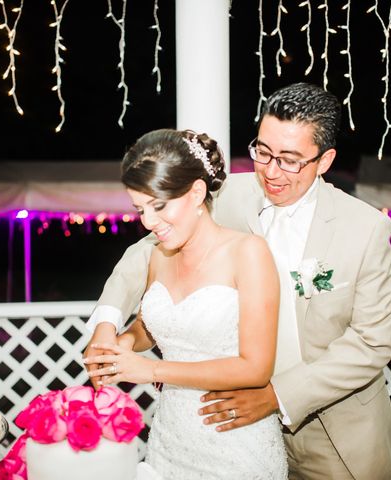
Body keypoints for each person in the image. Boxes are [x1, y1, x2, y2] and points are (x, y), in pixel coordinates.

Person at [85, 82, 391, 479]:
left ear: (324, 161)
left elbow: (372, 341)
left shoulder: (364, 228)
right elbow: (144, 252)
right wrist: (108, 322)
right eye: (263, 151)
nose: (270, 172)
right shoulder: (225, 194)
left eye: (289, 160)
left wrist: (277, 397)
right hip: (225, 422)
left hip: (330, 430)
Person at [84, 129, 288, 479]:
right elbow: (154, 323)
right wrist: (126, 342)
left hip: (235, 442)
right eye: (140, 208)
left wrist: (150, 371)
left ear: (196, 192)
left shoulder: (248, 253)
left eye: (159, 205)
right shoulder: (160, 255)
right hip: (169, 441)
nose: (148, 221)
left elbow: (255, 368)